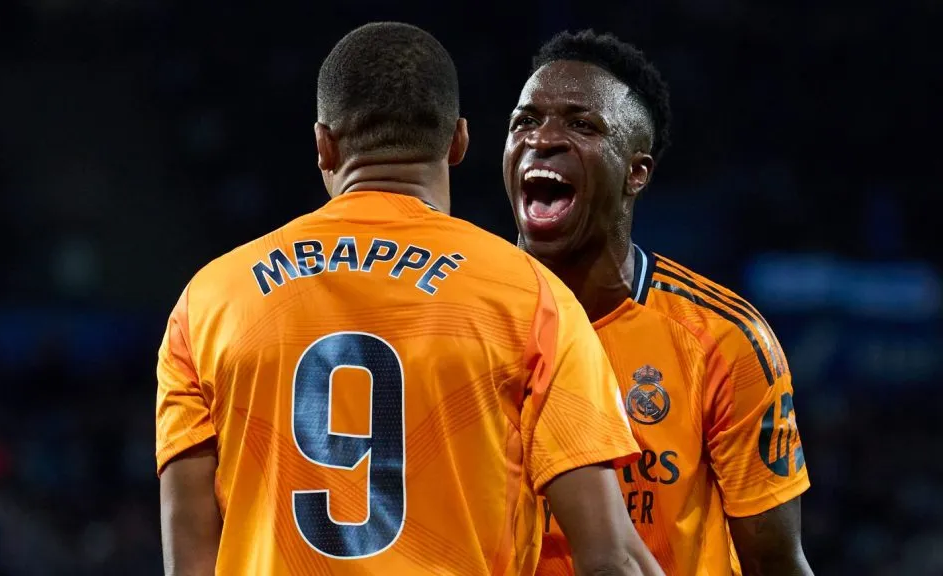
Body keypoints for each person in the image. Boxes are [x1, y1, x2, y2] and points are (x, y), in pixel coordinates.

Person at [157, 22, 661, 576]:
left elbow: (189, 565)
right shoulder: (533, 298)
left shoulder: (207, 303)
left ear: (324, 146)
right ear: (459, 142)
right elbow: (612, 560)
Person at [502, 30, 814, 576]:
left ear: (636, 173)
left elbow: (776, 563)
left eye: (581, 124)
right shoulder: (464, 316)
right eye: (524, 121)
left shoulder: (724, 340)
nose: (542, 138)